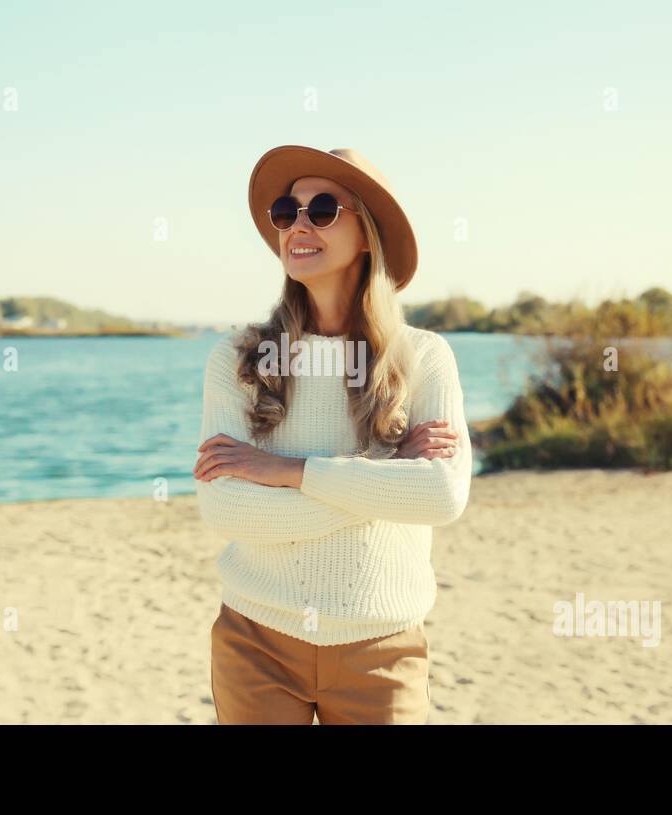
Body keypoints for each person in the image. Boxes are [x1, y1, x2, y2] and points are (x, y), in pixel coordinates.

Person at [194, 145, 472, 724]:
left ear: (367, 232)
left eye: (322, 209)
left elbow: (442, 497)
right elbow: (227, 511)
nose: (298, 224)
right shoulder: (239, 357)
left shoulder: (425, 357)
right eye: (285, 211)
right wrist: (386, 481)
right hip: (256, 641)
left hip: (383, 647)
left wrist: (287, 473)